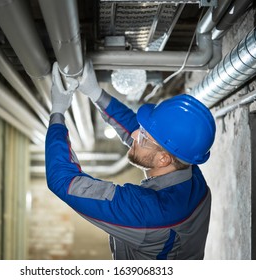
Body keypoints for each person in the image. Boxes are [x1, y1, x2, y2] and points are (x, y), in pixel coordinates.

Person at [45, 60, 216, 260]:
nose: (135, 135)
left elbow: (63, 181)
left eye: (143, 137)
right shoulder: (189, 171)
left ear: (163, 159)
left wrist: (57, 112)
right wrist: (96, 93)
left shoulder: (147, 213)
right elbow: (145, 136)